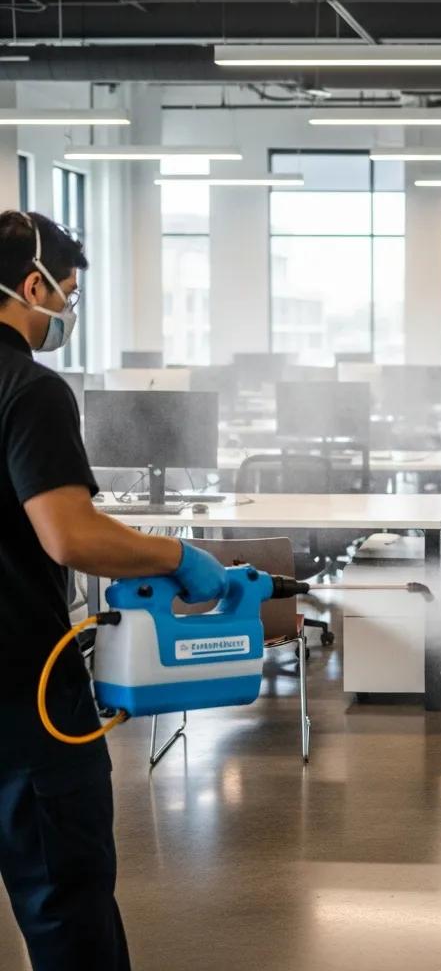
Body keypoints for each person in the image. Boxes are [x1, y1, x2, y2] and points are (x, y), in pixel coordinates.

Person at [0, 210, 229, 970]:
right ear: (33, 286)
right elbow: (72, 535)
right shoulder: (29, 389)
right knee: (66, 908)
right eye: (66, 294)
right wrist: (175, 555)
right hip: (23, 695)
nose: (65, 311)